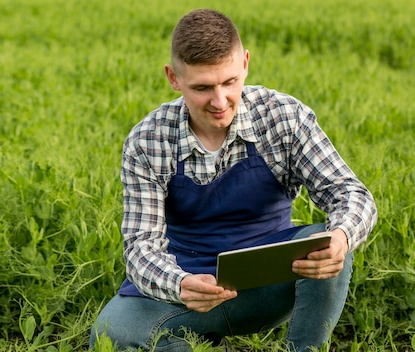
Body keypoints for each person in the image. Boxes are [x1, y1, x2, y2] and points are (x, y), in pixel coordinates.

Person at [89, 8, 377, 352]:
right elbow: (140, 246)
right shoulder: (148, 140)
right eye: (202, 88)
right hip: (188, 287)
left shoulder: (283, 117)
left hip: (268, 282)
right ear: (173, 78)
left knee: (323, 241)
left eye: (229, 82)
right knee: (111, 333)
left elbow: (349, 193)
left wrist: (342, 237)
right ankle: (198, 343)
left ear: (245, 64)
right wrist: (179, 284)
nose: (220, 101)